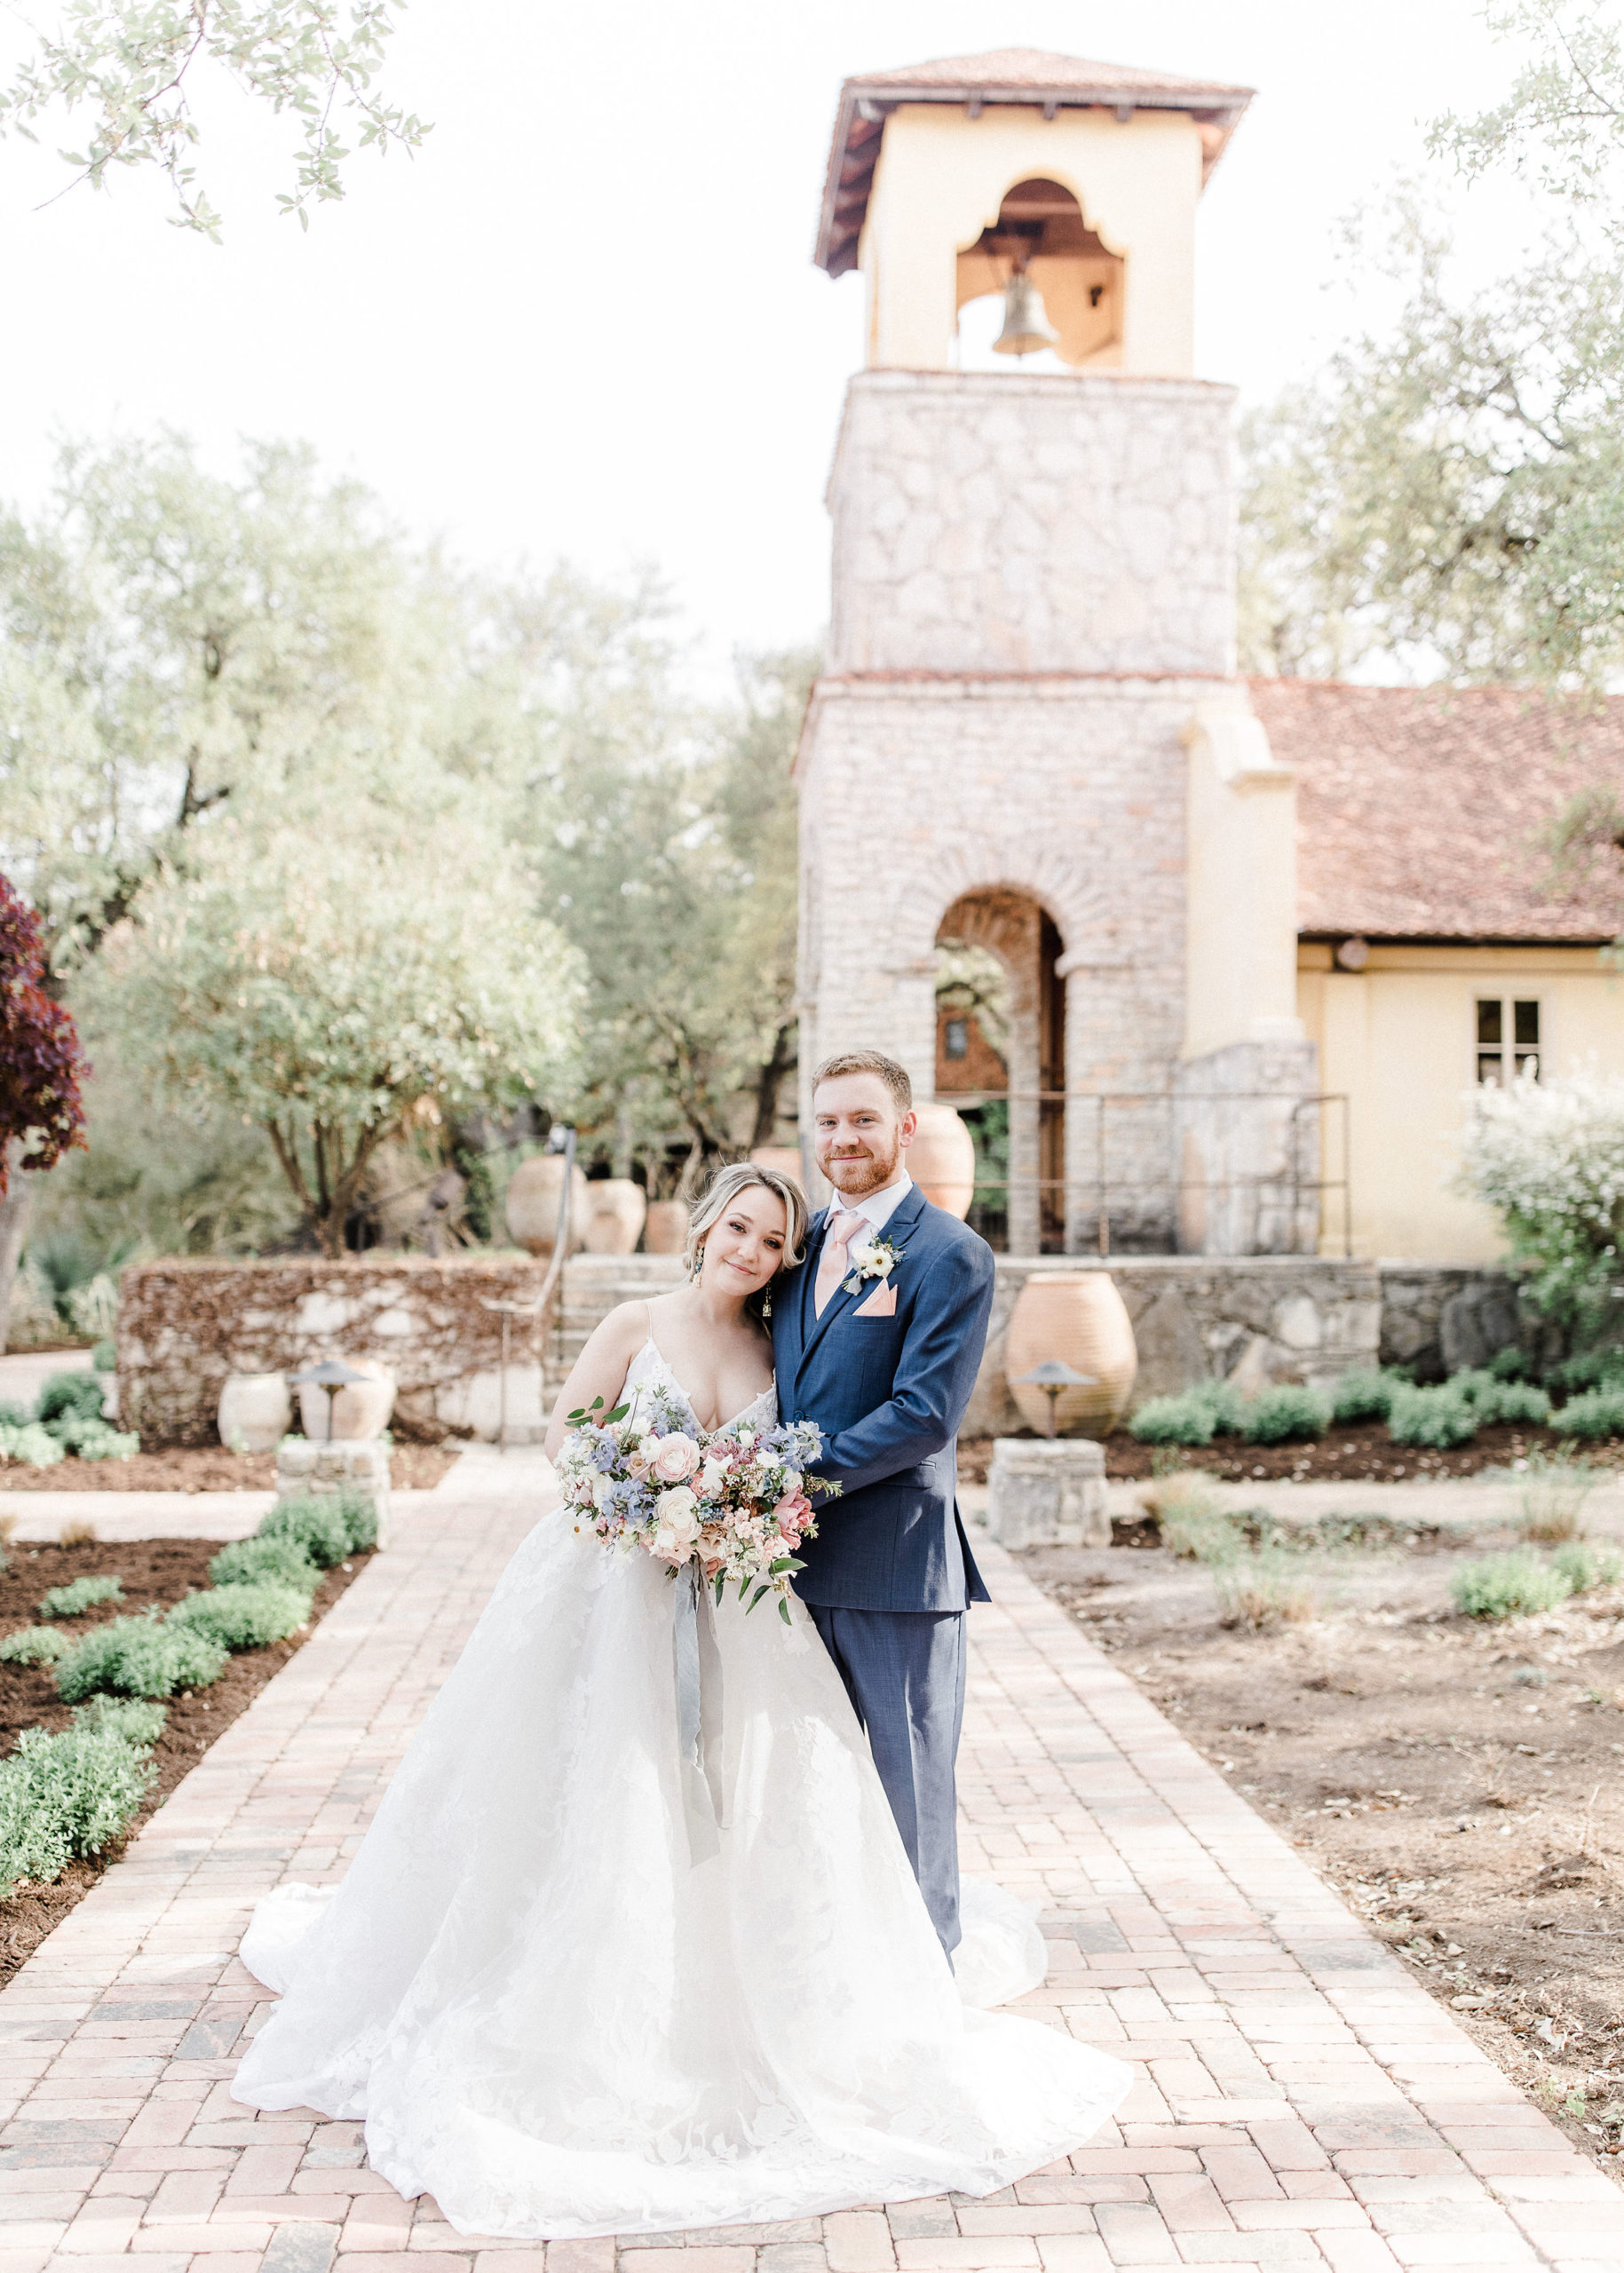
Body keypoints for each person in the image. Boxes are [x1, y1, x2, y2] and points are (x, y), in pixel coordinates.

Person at [231, 1159, 1127, 2242]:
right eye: (737, 1228)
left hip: (732, 1605)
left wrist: (726, 1514)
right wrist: (629, 1496)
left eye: (769, 1243)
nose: (749, 1251)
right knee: (600, 1778)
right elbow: (566, 1431)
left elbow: (794, 1456)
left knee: (742, 1792)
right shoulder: (629, 1320)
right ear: (705, 1228)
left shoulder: (771, 1350)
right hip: (605, 1588)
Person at [775, 1049, 992, 1962]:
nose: (842, 1138)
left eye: (861, 1119)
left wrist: (784, 1479)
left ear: (903, 1127)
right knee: (795, 1790)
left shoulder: (950, 1254)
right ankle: (823, 1975)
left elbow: (922, 1415)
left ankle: (926, 1987)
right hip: (783, 1569)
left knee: (910, 1797)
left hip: (898, 1571)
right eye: (826, 1122)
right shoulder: (790, 1257)